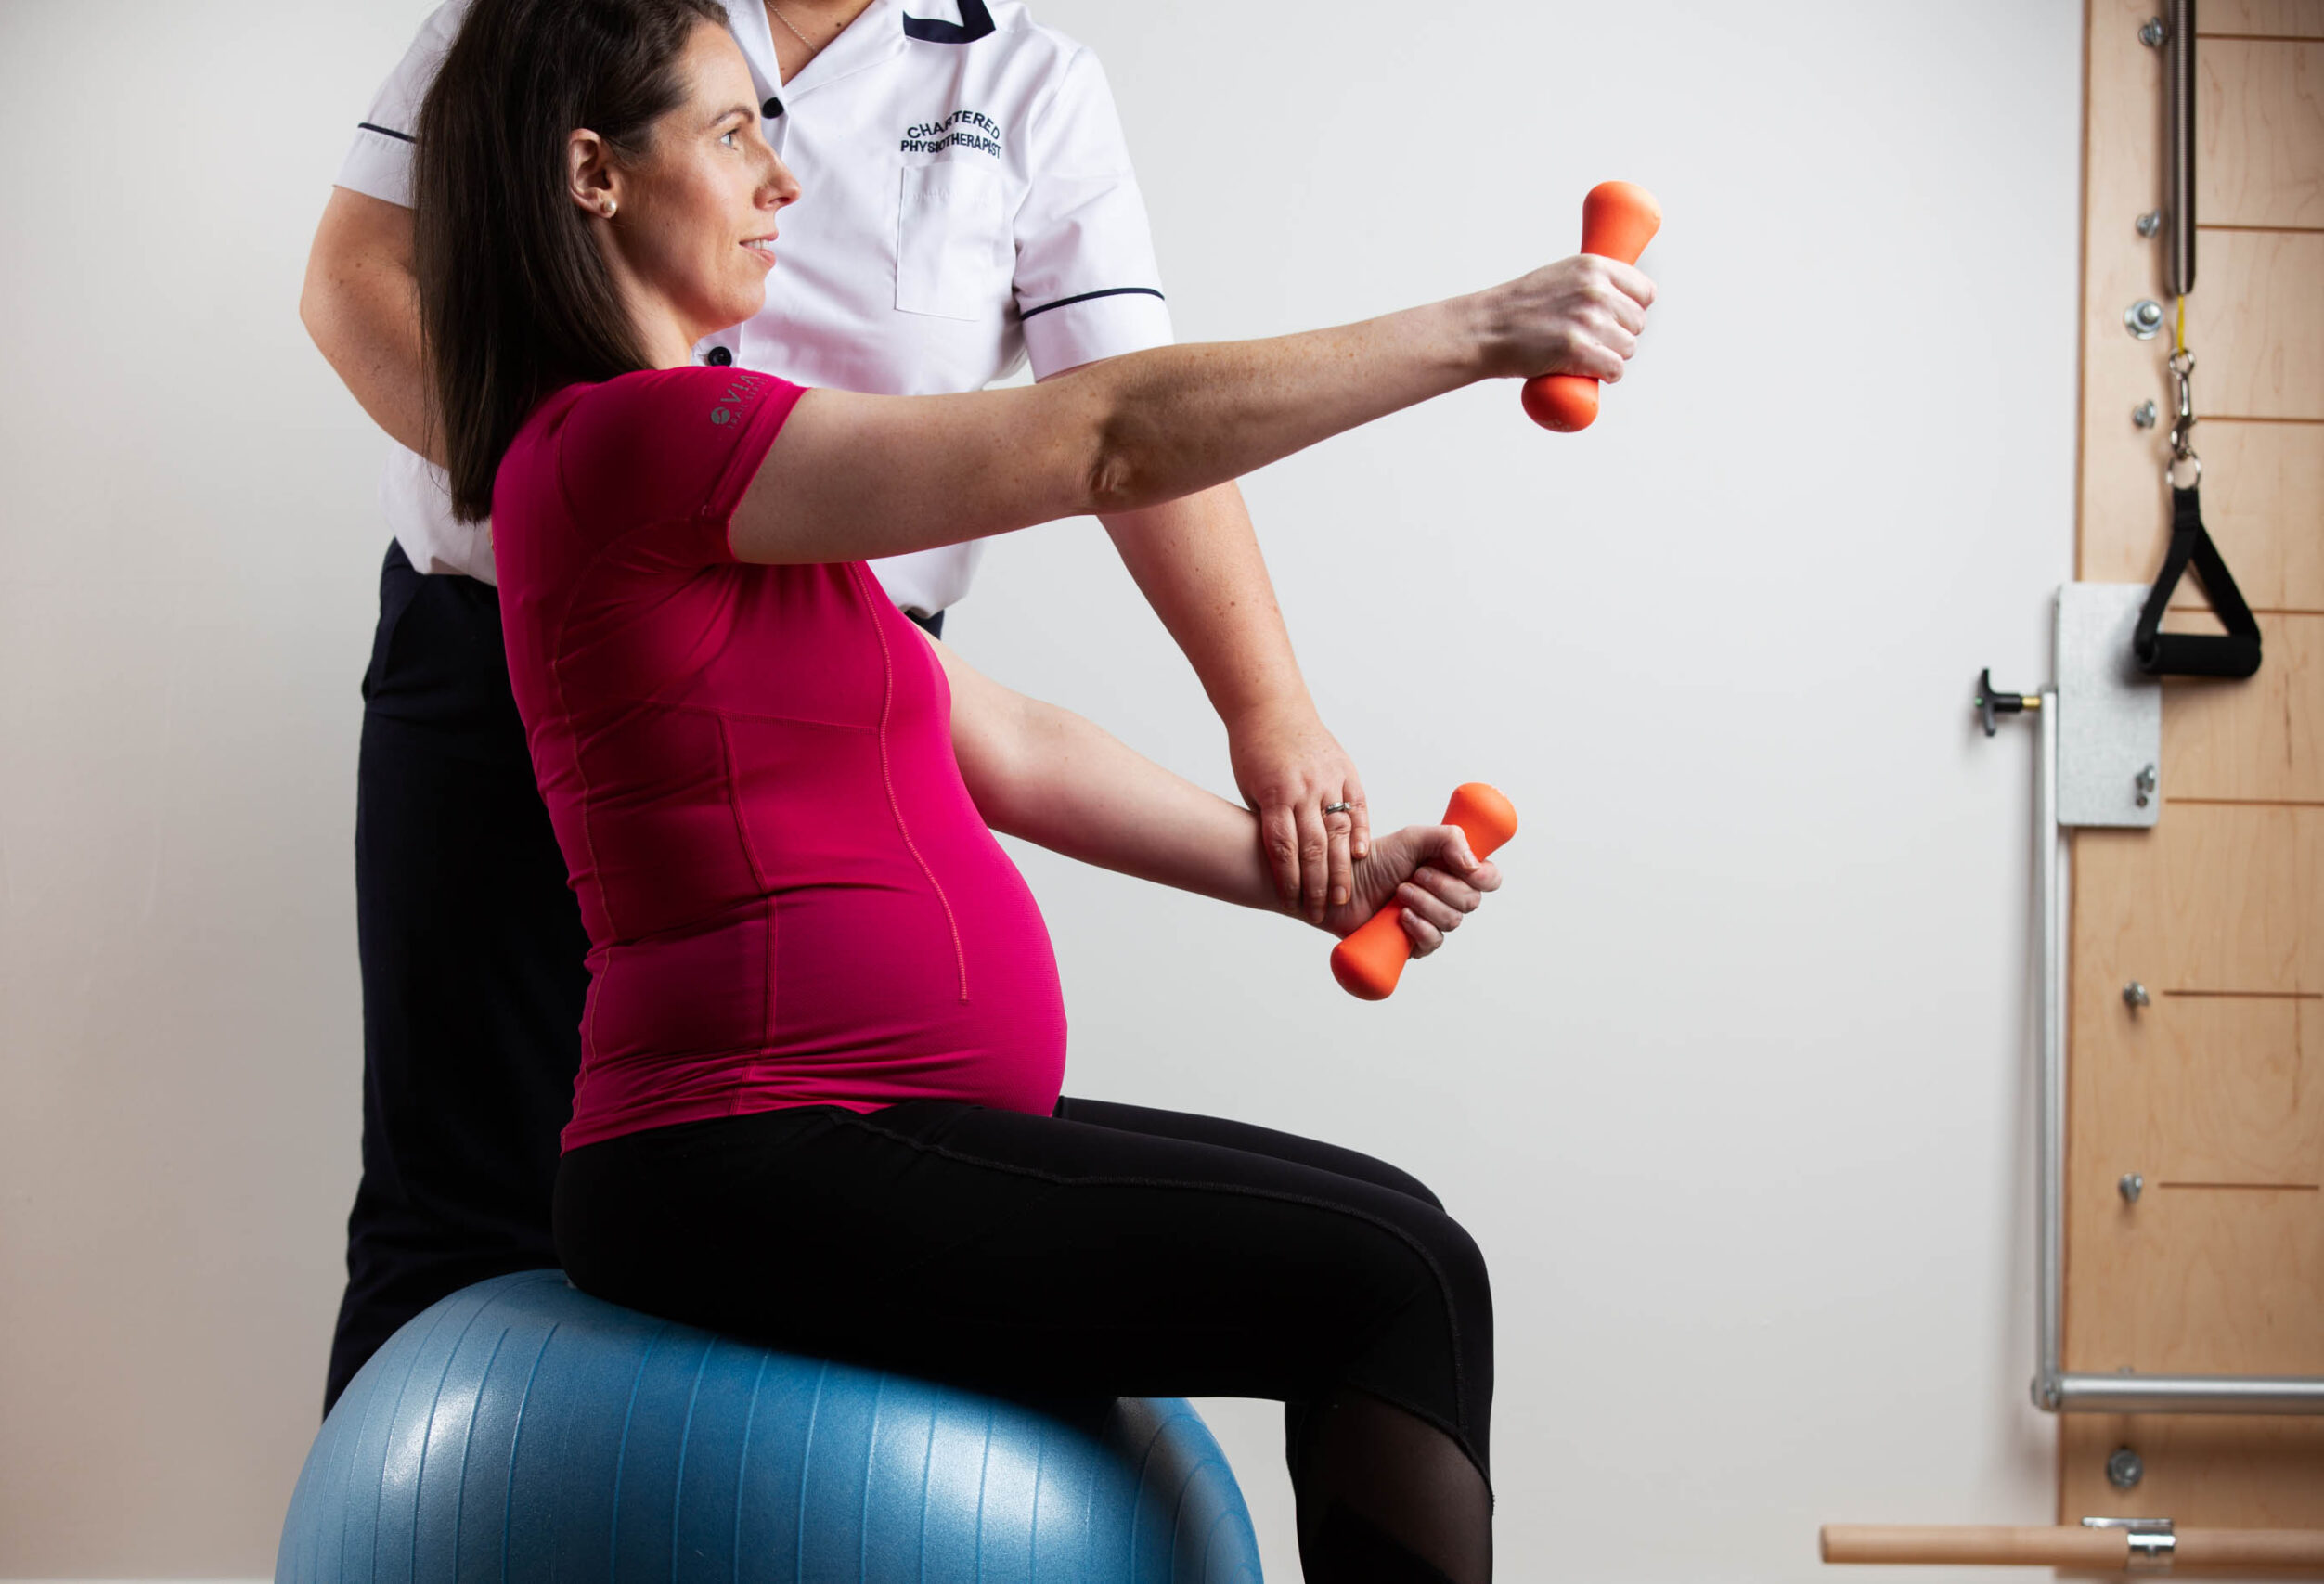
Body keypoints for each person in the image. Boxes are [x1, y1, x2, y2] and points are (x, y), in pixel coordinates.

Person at [416, 3, 1652, 1579]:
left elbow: (1004, 743)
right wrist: (1483, 332)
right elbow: (1113, 436)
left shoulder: (719, 487)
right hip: (748, 1157)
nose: (780, 183)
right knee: (1391, 1275)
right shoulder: (630, 445)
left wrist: (1306, 875)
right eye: (735, 134)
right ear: (593, 174)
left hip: (844, 1132)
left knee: (1413, 1246)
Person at [303, 0, 1379, 1415]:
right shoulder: (568, 21)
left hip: (840, 662)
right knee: (461, 1203)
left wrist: (1273, 721)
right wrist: (606, 521)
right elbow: (357, 276)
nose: (779, 184)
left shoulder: (1030, 83)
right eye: (737, 138)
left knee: (839, 1216)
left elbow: (1126, 414)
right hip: (512, 630)